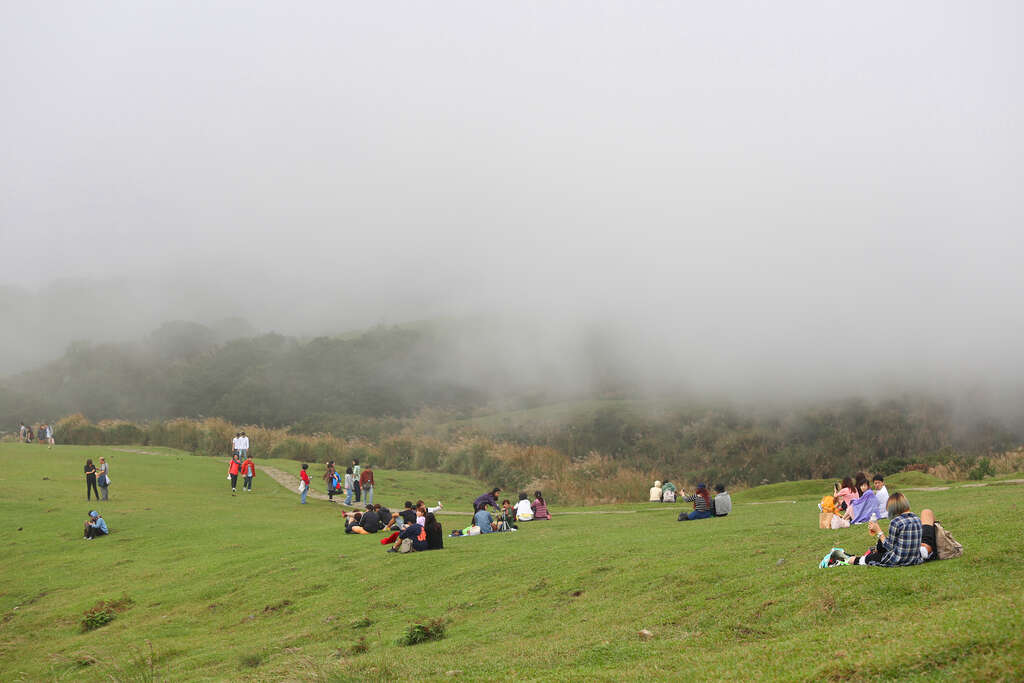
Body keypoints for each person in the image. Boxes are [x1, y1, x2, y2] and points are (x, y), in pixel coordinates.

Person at [845, 493, 935, 566]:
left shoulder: (895, 522)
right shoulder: (917, 519)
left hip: (899, 559)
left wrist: (879, 531)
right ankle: (869, 553)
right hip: (915, 558)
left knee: (871, 558)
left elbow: (889, 547)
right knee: (881, 544)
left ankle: (855, 560)